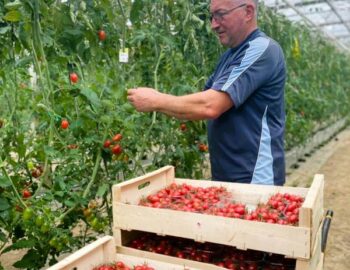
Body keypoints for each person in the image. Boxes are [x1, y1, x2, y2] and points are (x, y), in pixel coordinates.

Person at [127, 0, 286, 186]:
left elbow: (210, 106)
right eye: (212, 16)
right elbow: (199, 106)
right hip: (229, 177)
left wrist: (156, 100)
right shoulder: (229, 57)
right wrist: (159, 102)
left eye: (220, 15)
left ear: (248, 12)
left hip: (256, 180)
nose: (213, 24)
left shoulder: (262, 49)